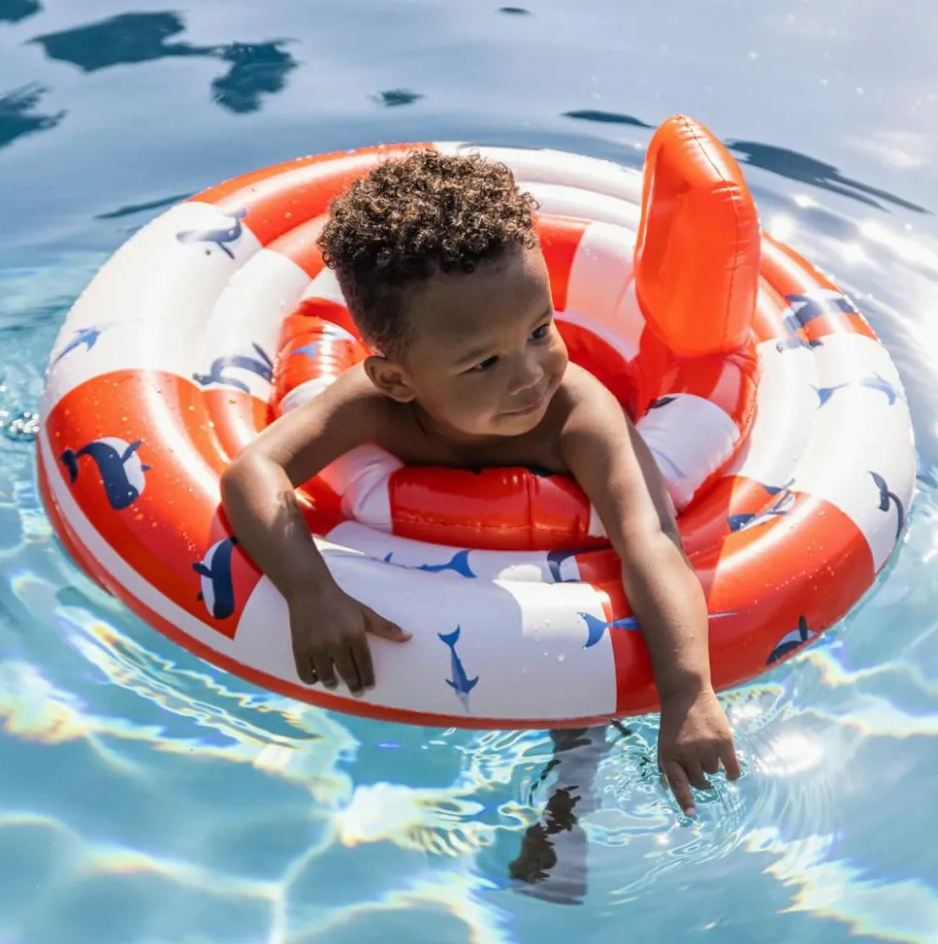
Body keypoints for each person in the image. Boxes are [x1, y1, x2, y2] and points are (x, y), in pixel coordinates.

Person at [220, 148, 741, 846]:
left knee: (582, 706)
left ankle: (561, 819)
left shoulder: (577, 415)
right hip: (413, 597)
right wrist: (311, 590)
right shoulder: (377, 404)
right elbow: (253, 472)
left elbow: (649, 539)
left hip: (560, 591)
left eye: (540, 331)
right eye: (484, 362)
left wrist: (687, 692)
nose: (530, 375)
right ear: (398, 378)